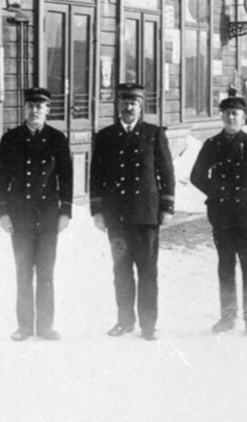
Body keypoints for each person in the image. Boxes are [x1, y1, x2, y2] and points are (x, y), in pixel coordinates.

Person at [90, 82, 176, 340]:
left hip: (145, 215)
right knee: (121, 270)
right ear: (118, 106)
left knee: (148, 271)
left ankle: (148, 325)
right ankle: (125, 321)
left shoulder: (153, 134)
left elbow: (167, 173)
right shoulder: (104, 136)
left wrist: (167, 206)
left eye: (134, 103)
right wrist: (97, 210)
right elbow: (96, 176)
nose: (129, 108)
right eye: (124, 103)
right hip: (116, 217)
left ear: (141, 107)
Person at [190, 96, 247, 336]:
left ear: (244, 118)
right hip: (221, 215)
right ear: (221, 116)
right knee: (225, 266)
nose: (231, 117)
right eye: (227, 113)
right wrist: (216, 192)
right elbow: (197, 176)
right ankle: (228, 317)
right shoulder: (211, 144)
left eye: (236, 114)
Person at [0, 87, 73, 342]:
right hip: (20, 217)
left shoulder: (57, 139)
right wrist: (3, 213)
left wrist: (65, 212)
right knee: (23, 272)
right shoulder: (11, 139)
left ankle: (46, 326)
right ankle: (25, 326)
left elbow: (66, 178)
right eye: (30, 106)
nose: (35, 111)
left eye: (40, 107)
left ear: (48, 109)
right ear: (24, 108)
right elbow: (2, 179)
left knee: (46, 272)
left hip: (49, 217)